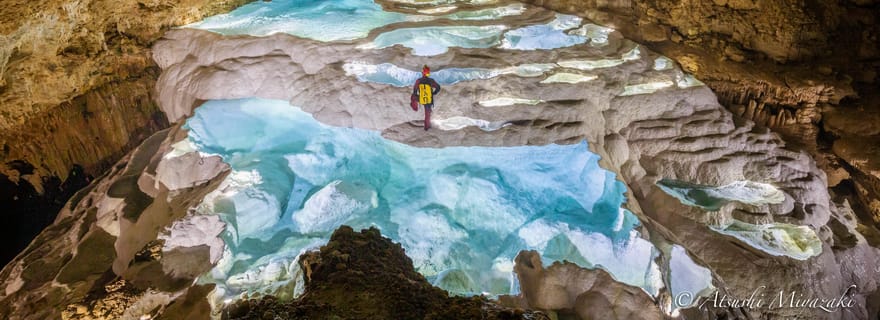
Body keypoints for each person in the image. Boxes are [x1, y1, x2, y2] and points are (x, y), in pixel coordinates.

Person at [411, 65, 441, 130]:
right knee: (427, 115)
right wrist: (433, 93)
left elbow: (415, 91)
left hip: (421, 99)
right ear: (428, 73)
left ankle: (415, 108)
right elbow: (438, 87)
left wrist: (416, 98)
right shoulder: (431, 81)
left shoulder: (418, 81)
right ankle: (427, 127)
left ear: (422, 73)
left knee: (413, 97)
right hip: (428, 101)